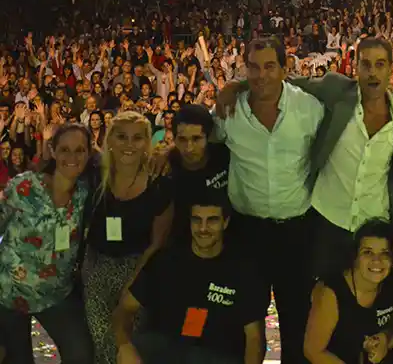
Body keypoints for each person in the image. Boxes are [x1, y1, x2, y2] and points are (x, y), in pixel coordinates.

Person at [218, 37, 393, 278]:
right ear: (355, 67)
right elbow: (280, 80)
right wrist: (237, 84)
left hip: (374, 221)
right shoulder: (336, 92)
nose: (372, 72)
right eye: (366, 64)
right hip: (326, 220)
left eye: (380, 64)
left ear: (391, 69)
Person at [212, 36, 325, 364]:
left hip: (297, 233)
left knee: (296, 320)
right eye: (254, 67)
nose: (261, 75)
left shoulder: (308, 108)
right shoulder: (227, 111)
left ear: (284, 69)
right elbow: (199, 143)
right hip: (247, 233)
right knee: (245, 321)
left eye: (270, 66)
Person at [112, 192, 265, 364]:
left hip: (217, 356)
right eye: (197, 220)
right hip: (166, 352)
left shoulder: (244, 270)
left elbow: (254, 338)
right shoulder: (165, 261)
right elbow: (124, 309)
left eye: (212, 220)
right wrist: (124, 345)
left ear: (225, 222)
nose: (203, 228)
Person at [82, 110, 175, 364]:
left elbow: (157, 242)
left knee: (130, 344)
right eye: (122, 137)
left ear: (147, 142)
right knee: (102, 342)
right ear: (110, 140)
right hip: (97, 268)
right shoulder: (94, 175)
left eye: (137, 138)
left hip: (140, 270)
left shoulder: (159, 184)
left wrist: (133, 283)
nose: (129, 145)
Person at [0, 124, 95, 364]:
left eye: (80, 150)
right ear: (52, 151)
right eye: (65, 149)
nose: (72, 157)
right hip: (10, 293)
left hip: (57, 294)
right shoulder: (25, 186)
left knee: (80, 355)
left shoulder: (85, 192)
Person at [303, 218, 393, 364]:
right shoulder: (331, 292)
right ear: (355, 256)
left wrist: (386, 337)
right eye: (368, 252)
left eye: (385, 253)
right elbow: (313, 351)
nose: (377, 260)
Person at [168, 104, 231, 244]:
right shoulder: (167, 170)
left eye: (196, 139)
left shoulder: (225, 156)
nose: (189, 148)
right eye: (182, 139)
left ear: (208, 137)